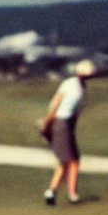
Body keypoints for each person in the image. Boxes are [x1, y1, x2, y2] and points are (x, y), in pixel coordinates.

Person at [40, 59, 95, 205]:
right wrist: (46, 124)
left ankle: (54, 192)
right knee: (69, 161)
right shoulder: (70, 84)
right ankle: (68, 194)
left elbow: (76, 112)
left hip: (67, 124)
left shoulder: (82, 87)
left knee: (70, 161)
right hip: (61, 122)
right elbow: (56, 105)